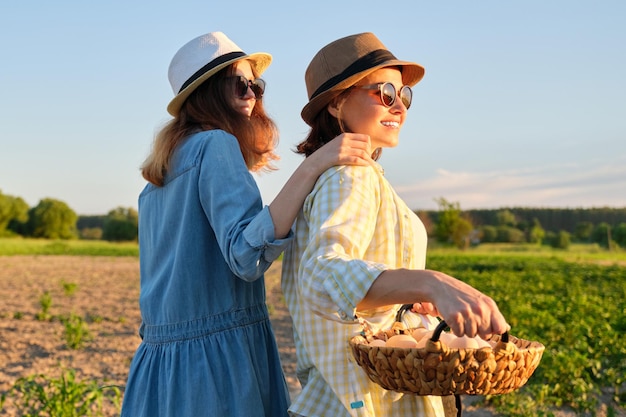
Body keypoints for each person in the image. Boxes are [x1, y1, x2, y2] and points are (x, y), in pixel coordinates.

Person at [120, 31, 373, 417]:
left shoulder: (157, 178)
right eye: (242, 84)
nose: (254, 94)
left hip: (159, 368)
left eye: (258, 84)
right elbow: (246, 254)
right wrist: (316, 164)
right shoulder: (215, 144)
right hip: (216, 366)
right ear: (209, 92)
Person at [281, 32, 510, 417]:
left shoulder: (356, 177)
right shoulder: (349, 176)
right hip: (360, 401)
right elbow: (321, 275)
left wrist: (407, 299)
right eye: (385, 92)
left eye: (404, 96)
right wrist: (432, 283)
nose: (399, 107)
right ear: (337, 103)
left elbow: (356, 290)